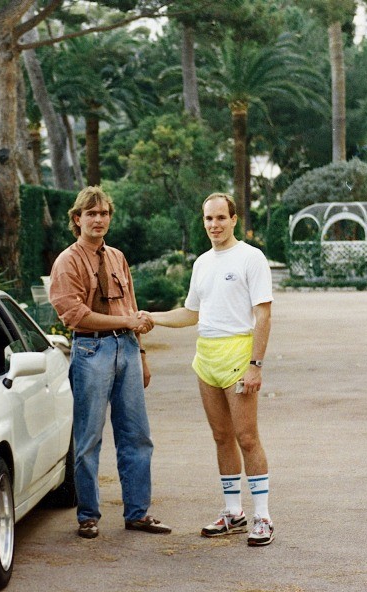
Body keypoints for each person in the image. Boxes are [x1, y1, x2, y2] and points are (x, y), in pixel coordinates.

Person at [150, 193, 275, 546]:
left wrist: (255, 365)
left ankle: (263, 517)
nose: (214, 225)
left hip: (238, 356)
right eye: (209, 219)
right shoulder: (202, 263)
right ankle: (233, 512)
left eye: (221, 218)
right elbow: (191, 313)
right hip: (206, 357)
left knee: (247, 437)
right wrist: (150, 317)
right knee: (221, 436)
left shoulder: (251, 257)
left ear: (234, 220)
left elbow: (264, 315)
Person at [49, 186, 171, 539]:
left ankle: (138, 513)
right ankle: (88, 516)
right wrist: (127, 322)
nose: (99, 219)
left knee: (137, 435)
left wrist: (141, 354)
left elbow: (130, 307)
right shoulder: (67, 262)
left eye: (104, 213)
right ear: (77, 219)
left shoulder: (117, 257)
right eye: (91, 214)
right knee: (88, 439)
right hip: (91, 351)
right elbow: (75, 315)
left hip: (127, 350)